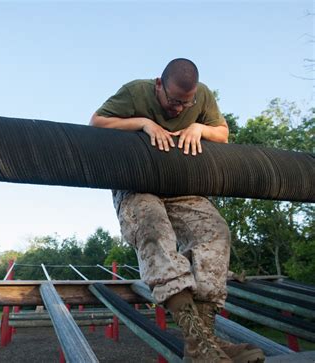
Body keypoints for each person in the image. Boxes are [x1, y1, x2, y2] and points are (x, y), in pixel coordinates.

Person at [90, 58, 264, 363]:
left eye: (187, 103)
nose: (179, 109)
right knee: (153, 227)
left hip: (183, 188)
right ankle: (200, 343)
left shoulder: (202, 97)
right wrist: (143, 123)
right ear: (159, 84)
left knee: (215, 233)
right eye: (172, 101)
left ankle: (203, 343)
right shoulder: (136, 92)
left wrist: (199, 127)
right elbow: (97, 123)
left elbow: (222, 133)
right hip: (138, 185)